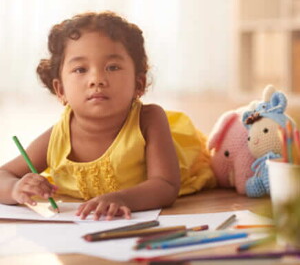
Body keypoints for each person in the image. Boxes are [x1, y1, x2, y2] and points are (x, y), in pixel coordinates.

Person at [0, 11, 215, 220]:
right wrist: (15, 188)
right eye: (80, 70)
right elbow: (3, 175)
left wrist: (122, 198)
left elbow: (166, 186)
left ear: (138, 84)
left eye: (112, 67)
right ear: (61, 90)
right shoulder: (57, 137)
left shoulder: (149, 120)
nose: (97, 79)